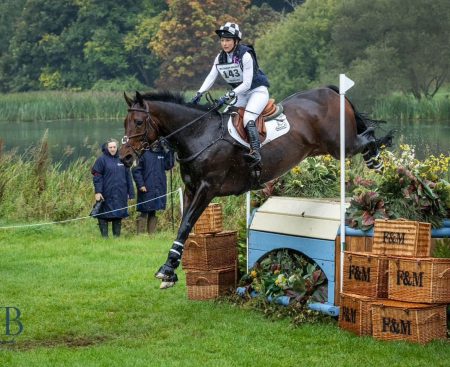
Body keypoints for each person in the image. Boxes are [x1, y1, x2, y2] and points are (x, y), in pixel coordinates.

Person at [190, 22, 270, 167]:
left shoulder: (245, 55)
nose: (224, 43)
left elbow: (246, 83)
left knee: (248, 118)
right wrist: (199, 93)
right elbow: (211, 77)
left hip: (257, 91)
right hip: (241, 94)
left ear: (236, 41)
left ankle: (256, 152)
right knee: (225, 118)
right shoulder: (220, 57)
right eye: (222, 40)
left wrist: (228, 95)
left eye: (228, 40)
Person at [91, 138, 135, 237]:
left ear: (117, 147)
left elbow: (128, 177)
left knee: (118, 215)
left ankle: (116, 238)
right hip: (105, 193)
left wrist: (131, 193)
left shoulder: (122, 158)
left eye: (114, 147)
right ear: (107, 148)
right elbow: (97, 176)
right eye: (110, 147)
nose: (112, 149)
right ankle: (105, 238)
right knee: (103, 215)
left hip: (120, 193)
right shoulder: (101, 160)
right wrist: (98, 192)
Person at [132, 145, 175, 235]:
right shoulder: (144, 153)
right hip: (146, 188)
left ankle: (152, 235)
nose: (156, 143)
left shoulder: (162, 153)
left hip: (158, 188)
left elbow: (169, 165)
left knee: (153, 211)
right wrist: (141, 185)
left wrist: (170, 152)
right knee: (144, 211)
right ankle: (140, 235)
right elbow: (136, 170)